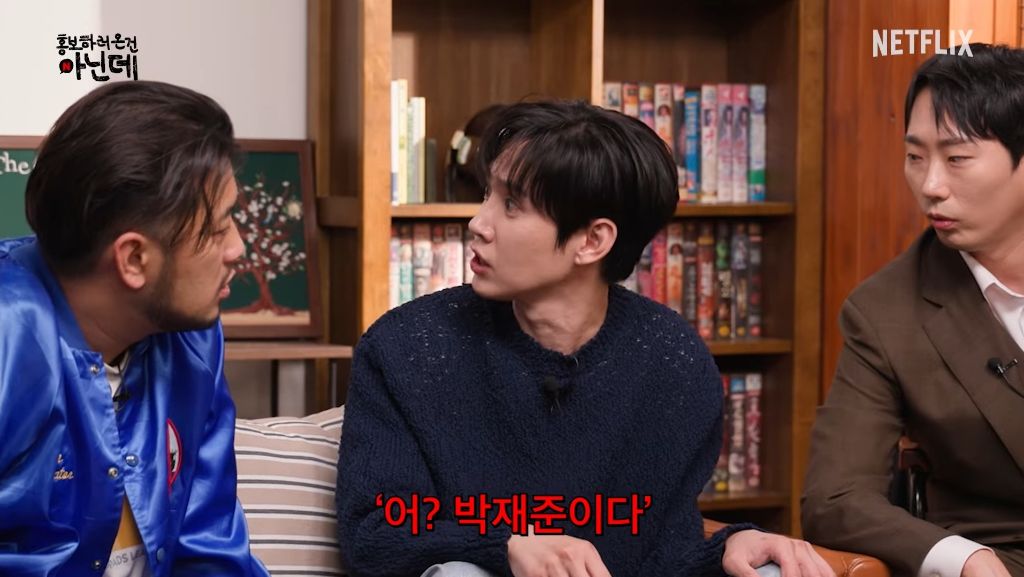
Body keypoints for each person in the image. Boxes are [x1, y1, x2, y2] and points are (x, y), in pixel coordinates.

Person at [336, 100, 833, 577]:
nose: (478, 223)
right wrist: (505, 547)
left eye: (511, 204)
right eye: (488, 194)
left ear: (593, 241)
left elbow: (662, 551)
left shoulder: (672, 360)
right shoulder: (407, 347)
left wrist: (733, 543)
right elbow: (374, 535)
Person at [0, 81, 269, 576]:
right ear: (134, 259)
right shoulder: (9, 336)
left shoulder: (193, 336)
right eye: (217, 229)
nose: (237, 249)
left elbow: (208, 546)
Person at [802, 43, 1024, 577]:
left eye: (957, 158)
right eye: (915, 157)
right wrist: (963, 558)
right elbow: (834, 498)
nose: (930, 186)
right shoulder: (885, 312)